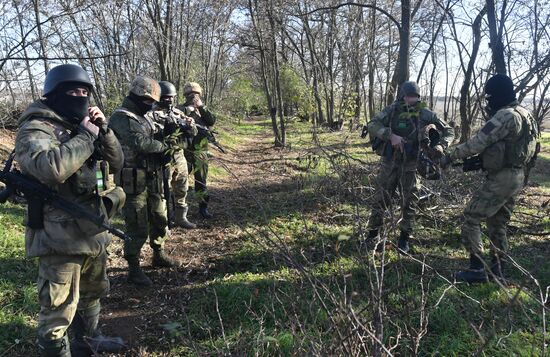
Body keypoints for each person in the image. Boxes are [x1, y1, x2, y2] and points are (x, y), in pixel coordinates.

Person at [14, 63, 126, 356]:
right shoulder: (36, 127)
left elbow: (117, 163)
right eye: (73, 91)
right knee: (57, 309)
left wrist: (103, 130)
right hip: (58, 235)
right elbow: (50, 168)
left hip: (91, 228)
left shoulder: (82, 125)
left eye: (84, 91)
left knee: (92, 292)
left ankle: (88, 340)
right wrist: (86, 137)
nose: (80, 96)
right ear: (54, 94)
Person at [441, 74, 539, 283]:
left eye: (490, 96)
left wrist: (450, 155)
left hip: (503, 178)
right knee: (497, 222)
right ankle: (498, 269)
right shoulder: (526, 115)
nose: (488, 101)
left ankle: (477, 269)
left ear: (498, 94)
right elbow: (533, 149)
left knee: (471, 217)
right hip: (517, 176)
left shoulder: (505, 116)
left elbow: (478, 142)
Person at [366, 81, 454, 253]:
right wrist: (389, 135)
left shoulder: (425, 113)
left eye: (414, 97)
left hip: (413, 163)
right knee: (381, 196)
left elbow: (449, 130)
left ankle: (404, 239)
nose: (411, 100)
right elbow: (372, 124)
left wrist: (441, 146)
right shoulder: (392, 110)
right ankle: (372, 234)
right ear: (402, 96)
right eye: (408, 96)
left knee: (410, 201)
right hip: (390, 161)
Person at [109, 76, 176, 286]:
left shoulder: (144, 116)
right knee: (137, 225)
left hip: (153, 177)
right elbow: (139, 142)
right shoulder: (121, 117)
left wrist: (167, 134)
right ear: (136, 96)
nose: (151, 105)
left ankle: (158, 252)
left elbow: (153, 137)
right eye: (148, 101)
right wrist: (164, 148)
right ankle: (134, 267)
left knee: (159, 217)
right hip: (134, 181)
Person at [149, 81, 198, 228]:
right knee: (163, 190)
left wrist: (190, 126)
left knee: (182, 186)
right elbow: (149, 137)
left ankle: (181, 218)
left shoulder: (178, 112)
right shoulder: (151, 115)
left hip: (179, 155)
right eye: (166, 97)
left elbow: (193, 133)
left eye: (172, 97)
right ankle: (163, 221)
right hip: (162, 157)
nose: (169, 100)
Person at [180, 82, 217, 219]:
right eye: (190, 95)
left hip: (200, 151)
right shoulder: (180, 109)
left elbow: (211, 121)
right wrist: (187, 111)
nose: (192, 97)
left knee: (201, 182)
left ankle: (203, 208)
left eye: (195, 94)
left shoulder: (203, 110)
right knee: (180, 181)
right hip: (184, 151)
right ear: (185, 95)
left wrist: (200, 107)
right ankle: (178, 210)